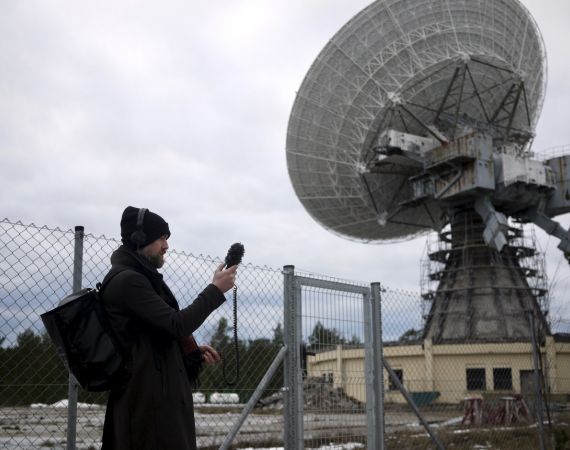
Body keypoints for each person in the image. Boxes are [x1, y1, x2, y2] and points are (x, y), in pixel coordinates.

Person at [100, 206, 237, 450]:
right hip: (147, 408)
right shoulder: (129, 281)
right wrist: (215, 290)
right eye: (161, 238)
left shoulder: (142, 278)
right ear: (140, 239)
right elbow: (176, 324)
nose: (166, 246)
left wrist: (189, 351)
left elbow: (158, 334)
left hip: (155, 402)